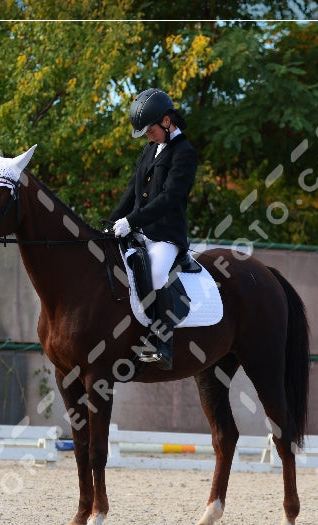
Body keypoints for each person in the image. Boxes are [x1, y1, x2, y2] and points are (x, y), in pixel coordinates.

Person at [109, 88, 199, 371]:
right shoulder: (150, 149)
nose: (148, 136)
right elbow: (132, 190)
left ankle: (164, 344)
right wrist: (113, 220)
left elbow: (169, 198)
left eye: (150, 130)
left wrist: (132, 222)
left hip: (166, 234)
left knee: (157, 273)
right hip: (138, 229)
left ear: (167, 121)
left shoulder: (184, 154)